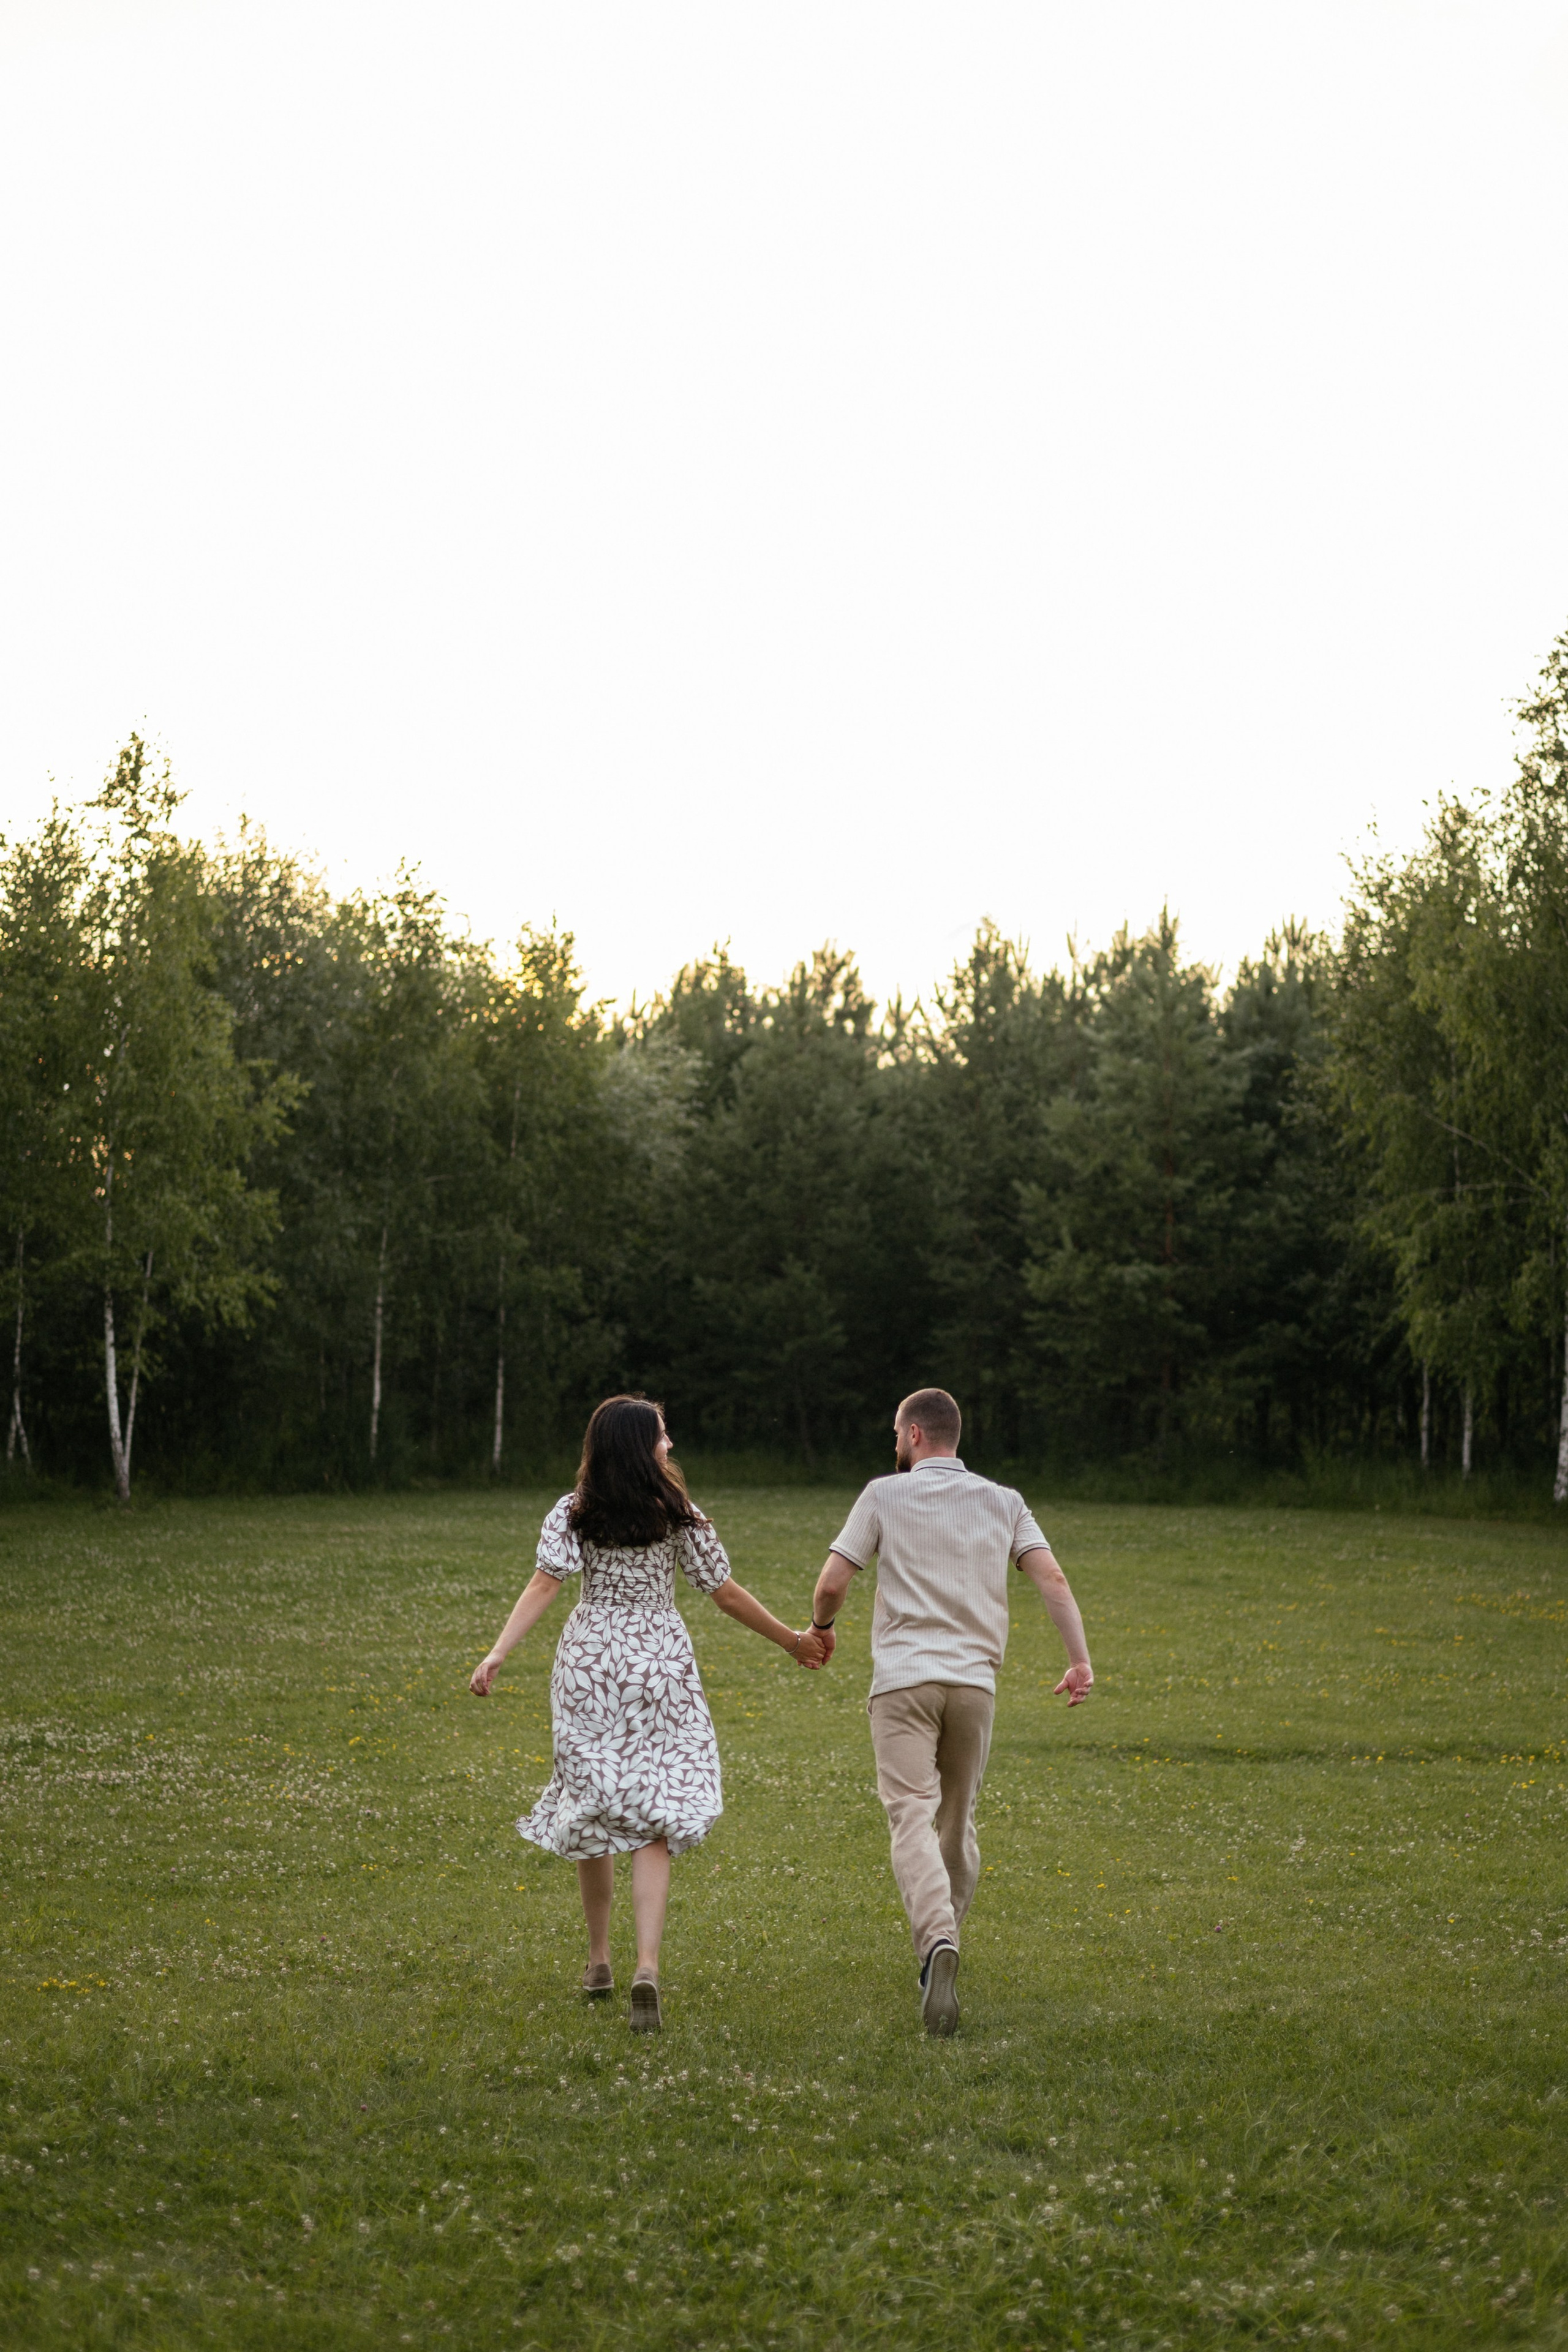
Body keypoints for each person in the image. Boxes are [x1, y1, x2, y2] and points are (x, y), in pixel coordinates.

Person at [469, 1393, 824, 2032]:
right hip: (658, 1662)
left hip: (589, 1664)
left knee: (595, 1805)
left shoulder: (573, 1510)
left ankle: (599, 1959)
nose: (670, 1446)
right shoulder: (678, 1512)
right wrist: (791, 1641)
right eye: (663, 1436)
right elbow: (724, 1594)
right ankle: (647, 1967)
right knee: (657, 1813)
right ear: (640, 1445)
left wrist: (498, 1653)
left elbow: (544, 1583)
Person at [808, 1386, 1092, 2037]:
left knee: (909, 1815)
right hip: (973, 1687)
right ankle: (943, 1946)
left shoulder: (884, 1493)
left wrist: (820, 1626)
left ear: (912, 1435)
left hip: (902, 1683)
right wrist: (1078, 1661)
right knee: (956, 1821)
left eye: (894, 1434)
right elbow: (1053, 1580)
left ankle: (936, 1942)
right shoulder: (1005, 1502)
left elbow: (831, 1581)